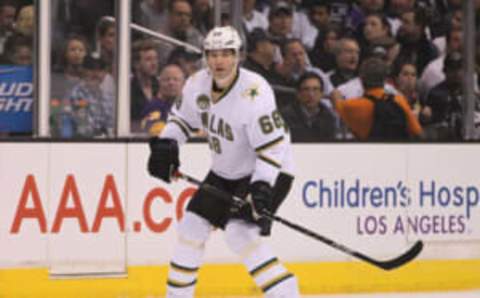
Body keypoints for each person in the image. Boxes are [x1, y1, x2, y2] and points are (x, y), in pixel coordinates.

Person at [147, 26, 300, 298]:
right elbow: (181, 121)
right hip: (226, 170)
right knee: (191, 227)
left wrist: (262, 185)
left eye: (226, 54)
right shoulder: (196, 84)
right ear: (206, 56)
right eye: (213, 54)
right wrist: (167, 146)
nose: (219, 61)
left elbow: (272, 146)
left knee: (240, 234)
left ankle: (286, 292)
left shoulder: (255, 91)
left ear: (237, 56)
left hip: (269, 170)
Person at [334, 56, 423, 140]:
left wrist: (335, 92)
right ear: (385, 79)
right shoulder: (399, 100)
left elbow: (336, 103)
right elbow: (418, 132)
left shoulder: (352, 106)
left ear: (361, 79)